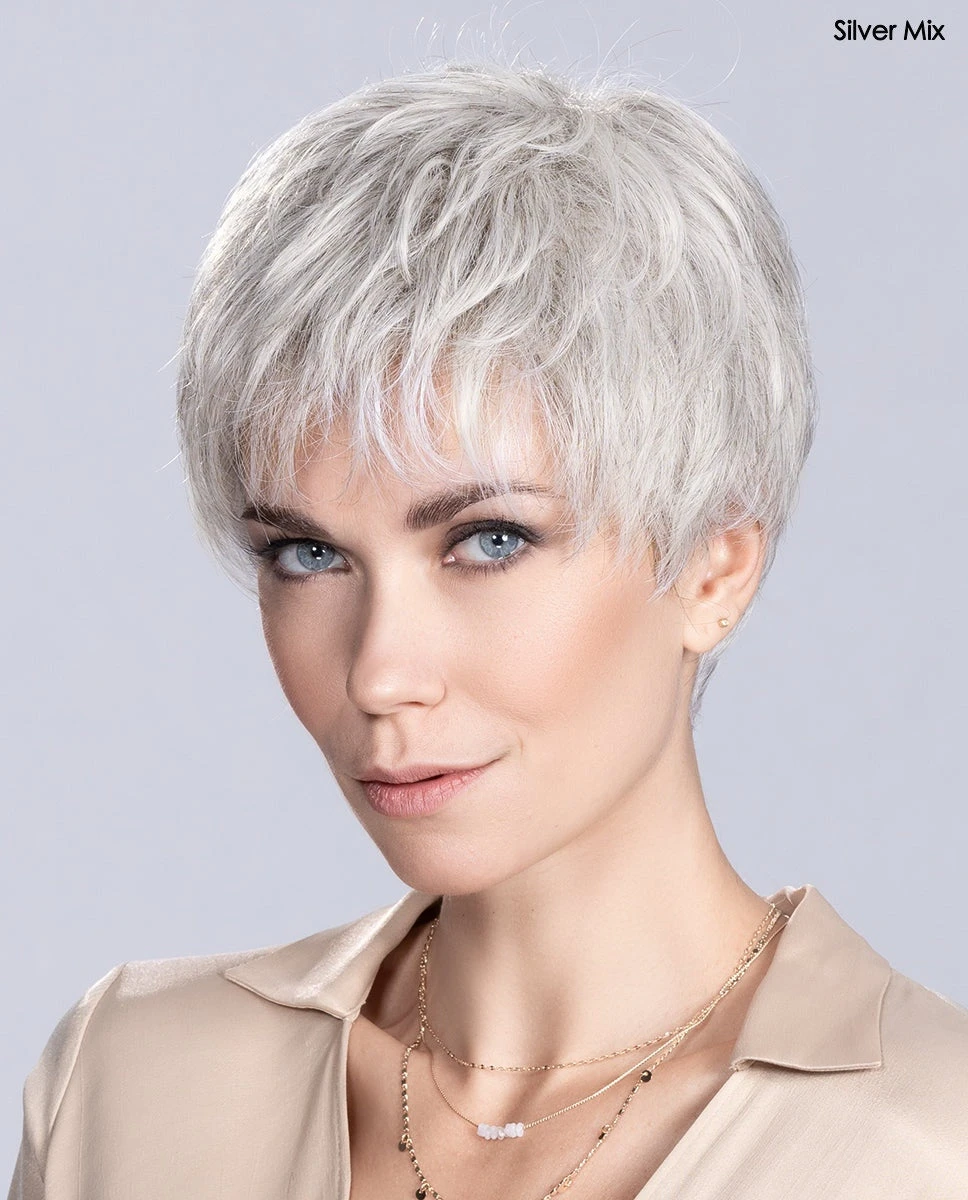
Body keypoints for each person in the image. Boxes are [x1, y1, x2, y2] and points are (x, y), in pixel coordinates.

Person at [9, 60, 968, 1200]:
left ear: (713, 565)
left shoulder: (931, 1143)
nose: (379, 673)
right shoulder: (129, 1088)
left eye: (488, 541)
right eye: (307, 554)